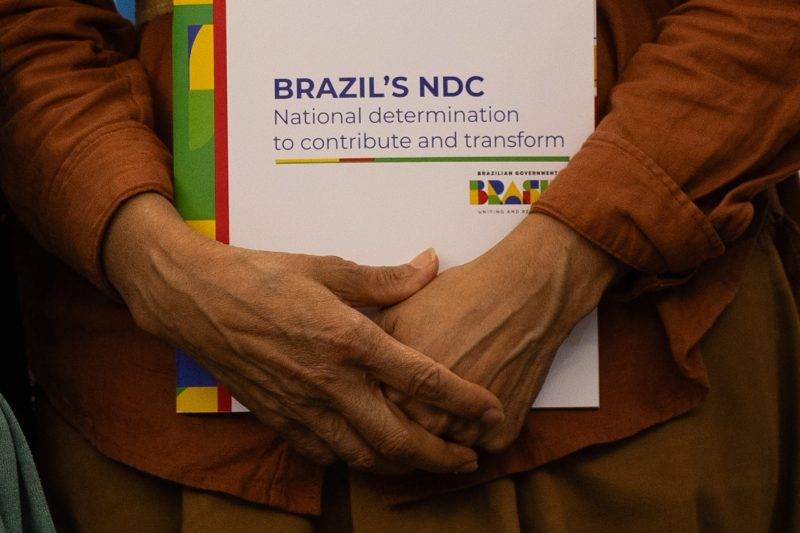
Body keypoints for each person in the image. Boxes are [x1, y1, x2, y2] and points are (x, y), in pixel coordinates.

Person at [0, 0, 798, 530]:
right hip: (177, 416)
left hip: (617, 389)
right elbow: (25, 23)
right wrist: (154, 263)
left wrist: (568, 259)